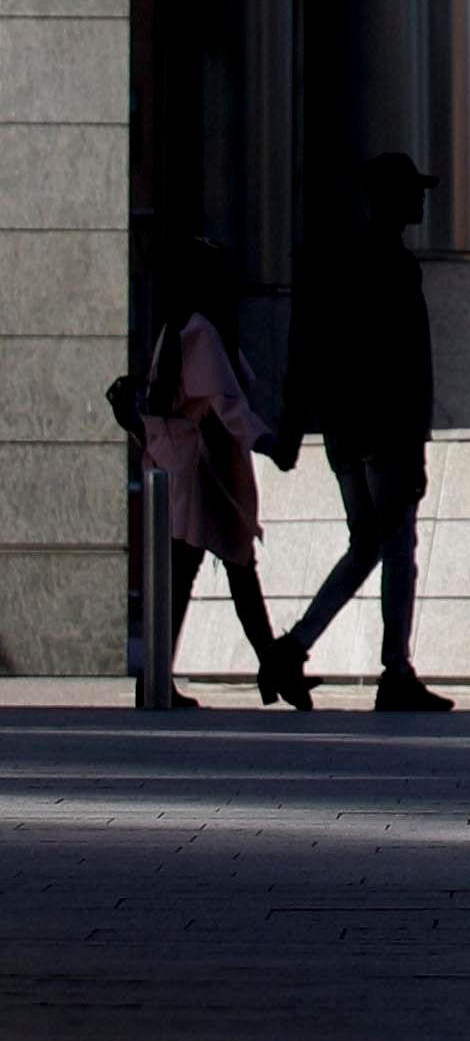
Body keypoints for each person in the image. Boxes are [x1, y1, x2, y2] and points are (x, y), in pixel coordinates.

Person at [270, 152, 454, 713]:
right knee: (396, 547)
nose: (422, 198)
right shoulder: (388, 265)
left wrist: (295, 429)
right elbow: (395, 362)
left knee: (368, 545)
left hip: (349, 435)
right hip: (384, 436)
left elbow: (308, 352)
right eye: (413, 190)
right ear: (389, 198)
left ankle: (293, 648)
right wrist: (403, 439)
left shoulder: (343, 262)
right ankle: (394, 673)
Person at [115, 234, 297, 704]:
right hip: (200, 477)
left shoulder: (176, 328)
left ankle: (269, 667)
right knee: (220, 571)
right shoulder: (201, 330)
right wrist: (268, 441)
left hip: (186, 471)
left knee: (221, 571)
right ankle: (268, 668)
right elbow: (226, 403)